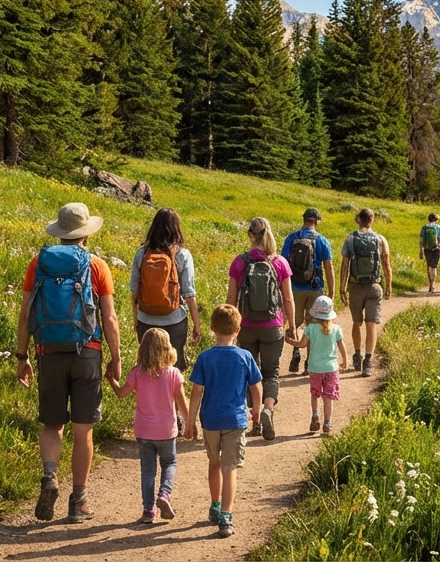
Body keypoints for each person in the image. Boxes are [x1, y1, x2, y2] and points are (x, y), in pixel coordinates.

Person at [15, 202, 123, 523]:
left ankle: (49, 477)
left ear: (60, 233)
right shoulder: (97, 266)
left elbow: (25, 315)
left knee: (52, 424)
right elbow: (110, 318)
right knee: (82, 430)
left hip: (47, 351)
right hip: (87, 352)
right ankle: (79, 501)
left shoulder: (38, 263)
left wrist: (23, 357)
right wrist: (115, 358)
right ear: (85, 235)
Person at [185, 304, 263, 539]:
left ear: (212, 328)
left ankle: (215, 505)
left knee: (214, 463)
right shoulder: (245, 356)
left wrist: (189, 422)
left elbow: (196, 392)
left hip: (210, 420)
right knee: (230, 468)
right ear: (238, 329)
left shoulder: (205, 358)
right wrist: (257, 411)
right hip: (235, 419)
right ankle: (226, 516)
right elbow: (256, 387)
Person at [108, 327, 188, 524]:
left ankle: (148, 510)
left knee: (148, 469)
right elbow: (181, 401)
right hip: (166, 431)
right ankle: (164, 494)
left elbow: (121, 393)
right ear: (167, 348)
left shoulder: (137, 373)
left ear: (142, 349)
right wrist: (189, 423)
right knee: (170, 463)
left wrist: (111, 379)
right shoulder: (173, 374)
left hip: (144, 432)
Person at [226, 217, 295, 440]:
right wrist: (292, 326)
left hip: (245, 326)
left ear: (249, 235)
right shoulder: (280, 262)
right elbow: (288, 299)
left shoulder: (239, 262)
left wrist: (229, 329)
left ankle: (255, 420)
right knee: (271, 372)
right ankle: (267, 409)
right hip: (273, 326)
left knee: (250, 373)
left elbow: (231, 299)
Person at [130, 207, 200, 371]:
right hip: (174, 321)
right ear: (177, 228)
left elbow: (134, 291)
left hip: (145, 321)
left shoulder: (141, 254)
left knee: (147, 369)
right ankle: (174, 398)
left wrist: (136, 319)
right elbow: (189, 294)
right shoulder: (183, 255)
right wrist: (197, 325)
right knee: (174, 369)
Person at [283, 296, 347, 435]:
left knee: (315, 393)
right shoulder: (336, 329)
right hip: (331, 368)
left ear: (315, 313)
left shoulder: (311, 328)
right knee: (328, 396)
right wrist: (345, 361)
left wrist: (289, 341)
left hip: (314, 368)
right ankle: (328, 423)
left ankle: (315, 416)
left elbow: (302, 344)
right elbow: (342, 347)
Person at [340, 208, 392, 377]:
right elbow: (386, 264)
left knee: (356, 322)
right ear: (372, 220)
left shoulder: (351, 238)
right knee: (372, 325)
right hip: (374, 286)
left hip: (355, 286)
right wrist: (389, 285)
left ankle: (357, 354)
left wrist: (342, 287)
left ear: (358, 220)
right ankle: (368, 361)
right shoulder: (380, 239)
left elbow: (345, 264)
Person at [283, 208, 335, 375]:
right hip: (315, 288)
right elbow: (328, 266)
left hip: (294, 289)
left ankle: (295, 352)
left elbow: (283, 264)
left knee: (294, 323)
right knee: (313, 325)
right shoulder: (321, 240)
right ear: (317, 221)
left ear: (304, 219)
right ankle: (308, 362)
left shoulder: (291, 238)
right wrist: (331, 292)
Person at [420, 212, 440, 293]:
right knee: (433, 267)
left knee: (429, 266)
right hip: (436, 249)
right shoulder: (438, 227)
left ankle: (430, 283)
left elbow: (422, 240)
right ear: (435, 219)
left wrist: (421, 250)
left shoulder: (424, 227)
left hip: (427, 249)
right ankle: (433, 284)